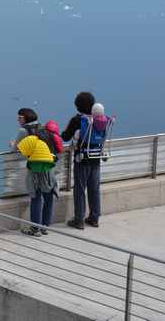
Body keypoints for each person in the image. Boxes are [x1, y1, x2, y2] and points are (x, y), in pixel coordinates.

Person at [11, 108, 58, 236]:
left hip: (35, 168)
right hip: (49, 166)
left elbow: (15, 149)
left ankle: (35, 229)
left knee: (36, 197)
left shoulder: (23, 131)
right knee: (48, 196)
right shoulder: (43, 128)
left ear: (25, 118)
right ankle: (45, 227)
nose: (18, 120)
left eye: (19, 117)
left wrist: (11, 144)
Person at [62, 92, 102, 229]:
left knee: (80, 189)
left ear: (77, 105)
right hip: (96, 157)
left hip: (81, 159)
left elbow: (65, 137)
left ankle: (78, 220)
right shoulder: (99, 119)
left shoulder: (77, 120)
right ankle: (94, 218)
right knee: (94, 189)